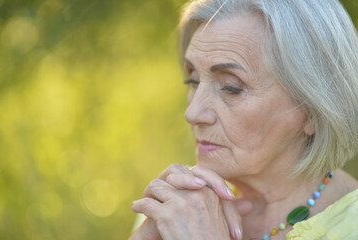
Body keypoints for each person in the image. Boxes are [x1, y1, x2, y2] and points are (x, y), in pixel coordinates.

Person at [130, 0, 358, 239]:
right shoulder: (179, 205)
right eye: (193, 80)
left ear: (313, 109)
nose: (192, 114)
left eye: (231, 87)